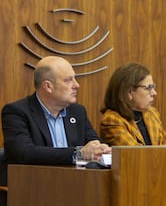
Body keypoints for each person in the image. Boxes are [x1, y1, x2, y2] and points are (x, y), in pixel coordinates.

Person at [0, 56, 111, 204]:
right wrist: (79, 153)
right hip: (31, 191)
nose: (76, 85)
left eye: (75, 79)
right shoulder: (16, 112)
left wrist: (98, 148)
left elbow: (91, 139)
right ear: (48, 86)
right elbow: (24, 153)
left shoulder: (77, 112)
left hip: (76, 189)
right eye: (68, 80)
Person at [100, 62, 166, 146]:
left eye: (153, 87)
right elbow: (135, 154)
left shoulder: (152, 114)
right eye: (148, 88)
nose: (154, 93)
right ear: (129, 92)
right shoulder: (112, 121)